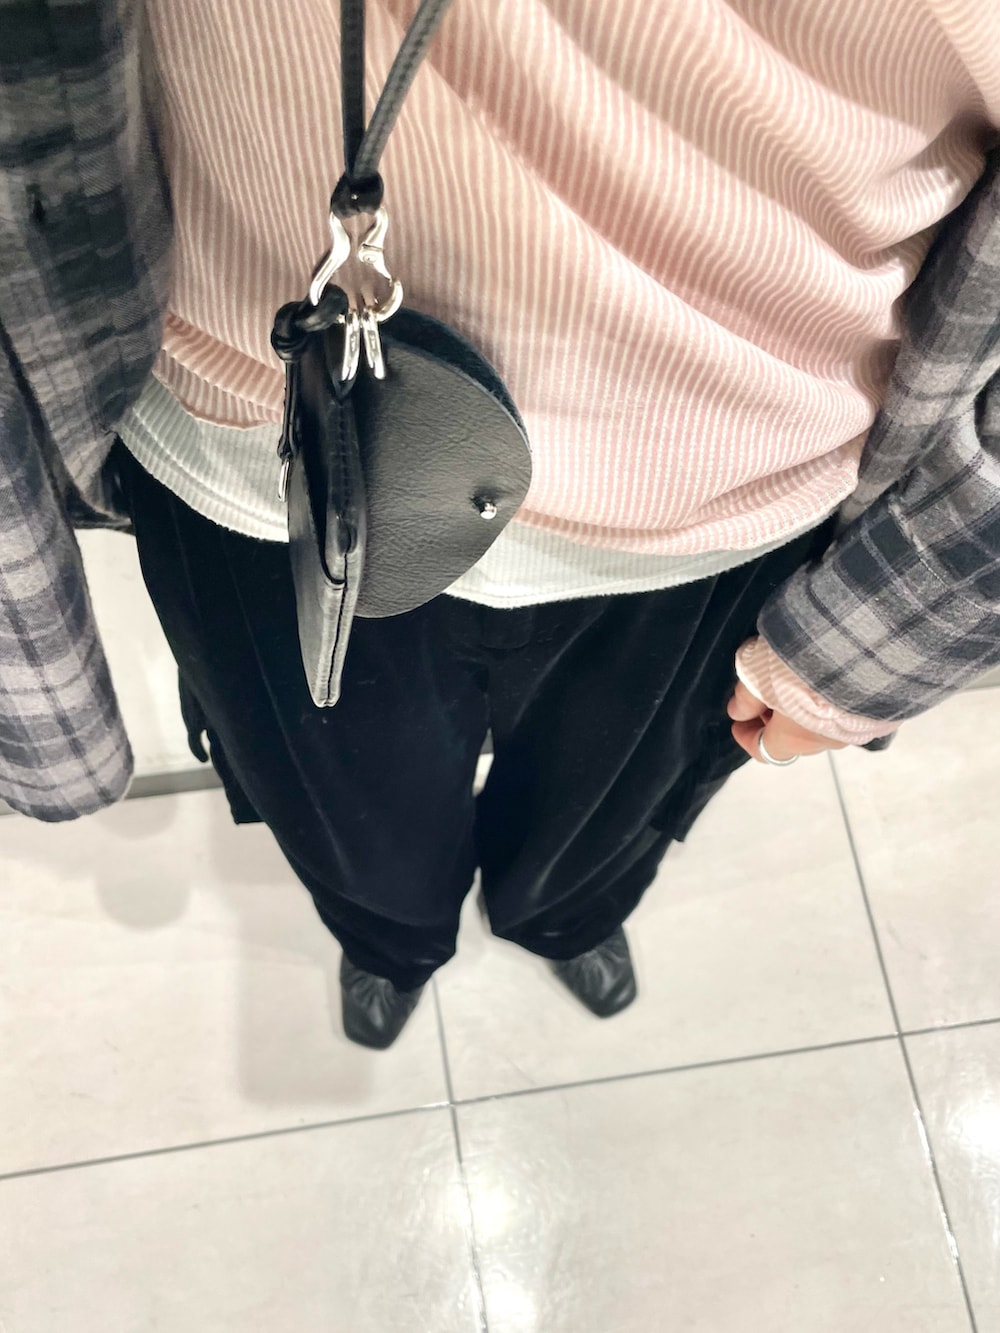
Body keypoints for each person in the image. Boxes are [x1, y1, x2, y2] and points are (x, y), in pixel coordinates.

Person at [2, 1, 999, 1048]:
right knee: (353, 831)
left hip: (732, 502)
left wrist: (900, 624)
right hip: (266, 458)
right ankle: (392, 943)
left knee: (604, 825)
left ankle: (561, 917)